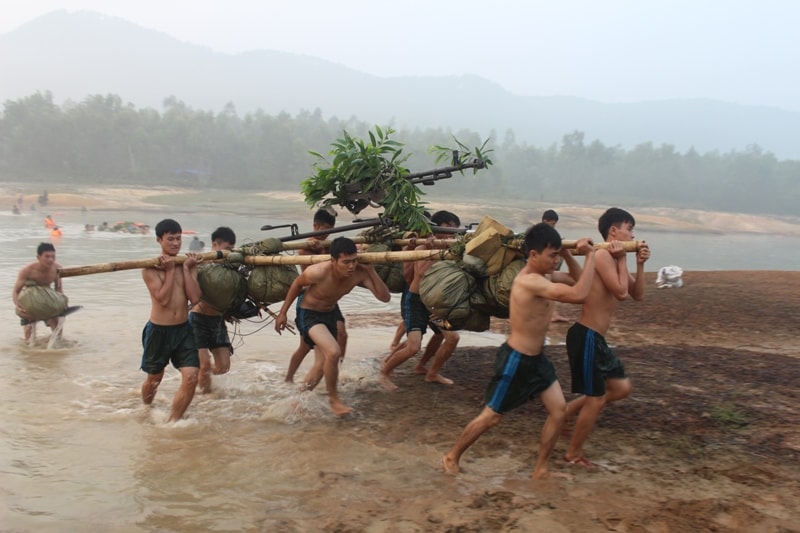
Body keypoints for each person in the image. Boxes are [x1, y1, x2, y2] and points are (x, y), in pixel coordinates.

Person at [442, 223, 596, 479]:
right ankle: (452, 456)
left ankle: (541, 469)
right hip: (515, 360)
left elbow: (577, 280)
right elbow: (580, 294)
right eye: (552, 256)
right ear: (533, 255)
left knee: (558, 411)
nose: (555, 261)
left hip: (537, 360)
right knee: (492, 417)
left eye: (557, 255)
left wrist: (568, 254)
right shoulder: (528, 281)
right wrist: (590, 255)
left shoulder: (545, 275)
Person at [562, 207, 650, 468]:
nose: (632, 233)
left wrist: (640, 264)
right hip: (586, 335)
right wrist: (623, 260)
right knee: (596, 399)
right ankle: (573, 454)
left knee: (621, 388)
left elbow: (638, 294)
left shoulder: (613, 259)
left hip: (596, 339)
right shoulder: (601, 256)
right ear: (614, 231)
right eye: (629, 228)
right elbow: (621, 293)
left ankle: (564, 414)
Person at [275, 237, 390, 416]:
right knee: (333, 351)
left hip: (329, 314)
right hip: (309, 313)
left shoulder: (360, 273)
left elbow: (385, 298)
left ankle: (297, 399)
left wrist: (371, 271)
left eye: (354, 261)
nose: (351, 266)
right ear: (333, 260)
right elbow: (297, 284)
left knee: (321, 365)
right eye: (345, 262)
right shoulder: (318, 272)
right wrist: (282, 313)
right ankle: (333, 399)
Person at [380, 210, 462, 391]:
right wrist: (431, 249)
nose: (451, 232)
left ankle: (431, 372)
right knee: (413, 347)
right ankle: (384, 372)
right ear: (435, 228)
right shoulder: (421, 249)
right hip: (417, 302)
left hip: (435, 306)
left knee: (452, 337)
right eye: (447, 227)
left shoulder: (452, 250)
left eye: (454, 229)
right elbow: (422, 273)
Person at [140, 218, 204, 422]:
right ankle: (146, 407)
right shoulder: (149, 268)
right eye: (170, 239)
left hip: (183, 330)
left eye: (178, 239)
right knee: (154, 378)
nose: (176, 243)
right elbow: (163, 299)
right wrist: (169, 271)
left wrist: (185, 269)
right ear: (159, 240)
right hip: (159, 330)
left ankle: (172, 422)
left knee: (192, 376)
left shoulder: (187, 263)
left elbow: (195, 299)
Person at [284, 208, 348, 388]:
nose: (326, 234)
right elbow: (308, 277)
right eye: (324, 230)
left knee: (342, 334)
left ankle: (334, 370)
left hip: (329, 301)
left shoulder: (329, 246)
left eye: (330, 231)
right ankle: (289, 378)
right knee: (305, 347)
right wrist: (319, 253)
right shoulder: (305, 250)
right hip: (309, 300)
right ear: (315, 226)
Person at [190, 226, 237, 394]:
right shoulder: (202, 263)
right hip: (198, 318)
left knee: (224, 367)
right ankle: (205, 398)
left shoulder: (231, 267)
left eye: (231, 249)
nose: (228, 253)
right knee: (204, 365)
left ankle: (197, 373)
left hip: (217, 320)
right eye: (226, 249)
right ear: (215, 245)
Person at [12, 242, 67, 343]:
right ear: (38, 257)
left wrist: (63, 304)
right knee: (29, 338)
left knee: (57, 328)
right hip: (30, 301)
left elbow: (58, 289)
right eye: (47, 256)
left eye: (53, 256)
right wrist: (18, 306)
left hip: (47, 300)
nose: (50, 259)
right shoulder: (27, 270)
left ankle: (56, 348)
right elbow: (16, 291)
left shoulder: (58, 268)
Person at [542, 209, 570, 323]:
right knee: (549, 285)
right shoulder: (539, 233)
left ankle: (553, 313)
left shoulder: (549, 233)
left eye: (555, 225)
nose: (553, 227)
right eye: (552, 224)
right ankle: (553, 314)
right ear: (545, 221)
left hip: (546, 268)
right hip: (540, 268)